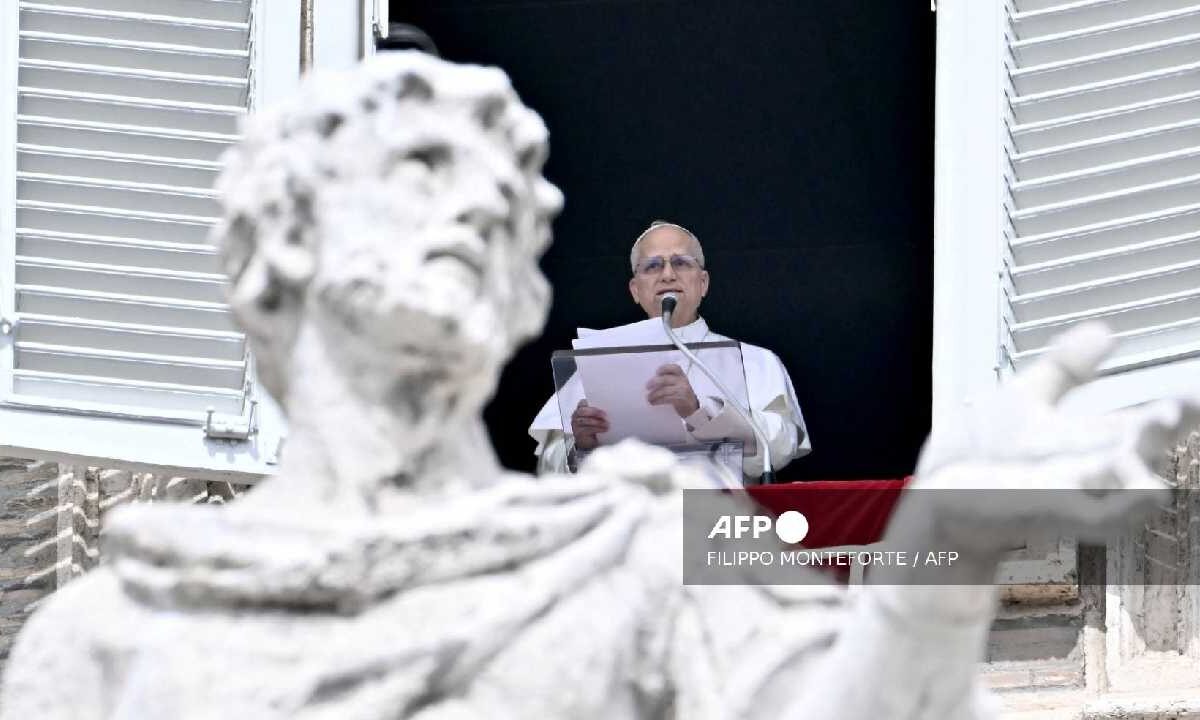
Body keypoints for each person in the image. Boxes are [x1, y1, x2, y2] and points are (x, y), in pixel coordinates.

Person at [4, 51, 1199, 720]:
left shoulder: (635, 555)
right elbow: (551, 451)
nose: (476, 202)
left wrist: (945, 549)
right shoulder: (108, 634)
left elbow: (847, 698)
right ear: (277, 247)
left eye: (506, 196)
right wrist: (578, 423)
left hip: (722, 530)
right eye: (419, 169)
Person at [529, 220, 810, 481]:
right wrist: (580, 446)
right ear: (635, 290)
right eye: (652, 266)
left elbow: (779, 449)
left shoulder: (755, 361)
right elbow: (548, 470)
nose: (667, 274)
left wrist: (701, 412)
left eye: (680, 263)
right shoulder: (596, 365)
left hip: (717, 523)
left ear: (703, 284)